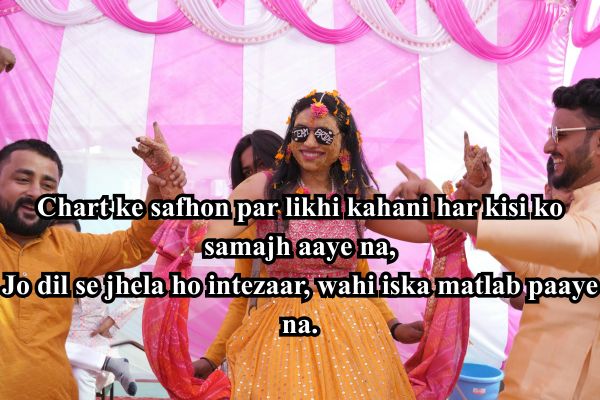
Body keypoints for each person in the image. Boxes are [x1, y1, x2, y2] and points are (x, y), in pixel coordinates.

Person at [136, 91, 474, 399]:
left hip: (356, 340)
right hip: (284, 337)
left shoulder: (356, 195)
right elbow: (205, 235)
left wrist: (437, 193)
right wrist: (171, 186)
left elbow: (430, 232)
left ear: (344, 143)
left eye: (323, 134)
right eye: (300, 133)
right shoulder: (264, 188)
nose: (310, 142)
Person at [394, 78, 600, 398]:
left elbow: (580, 241)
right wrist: (479, 205)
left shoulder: (584, 226)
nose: (548, 146)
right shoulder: (580, 211)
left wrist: (445, 209)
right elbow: (537, 265)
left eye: (560, 134)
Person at [193, 129, 422, 380]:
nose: (257, 176)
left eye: (263, 165)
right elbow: (242, 299)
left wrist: (395, 327)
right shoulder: (247, 227)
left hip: (340, 342)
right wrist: (210, 360)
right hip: (276, 345)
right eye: (247, 172)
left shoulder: (340, 206)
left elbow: (360, 282)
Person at [0, 132, 183, 399]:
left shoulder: (70, 247)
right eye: (23, 179)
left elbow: (134, 245)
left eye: (48, 185)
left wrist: (160, 185)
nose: (36, 192)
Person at [53, 219, 143, 398]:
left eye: (70, 238)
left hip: (93, 342)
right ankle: (110, 363)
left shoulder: (99, 263)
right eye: (58, 239)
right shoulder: (44, 271)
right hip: (57, 344)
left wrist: (112, 321)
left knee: (80, 373)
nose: (65, 244)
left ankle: (106, 362)